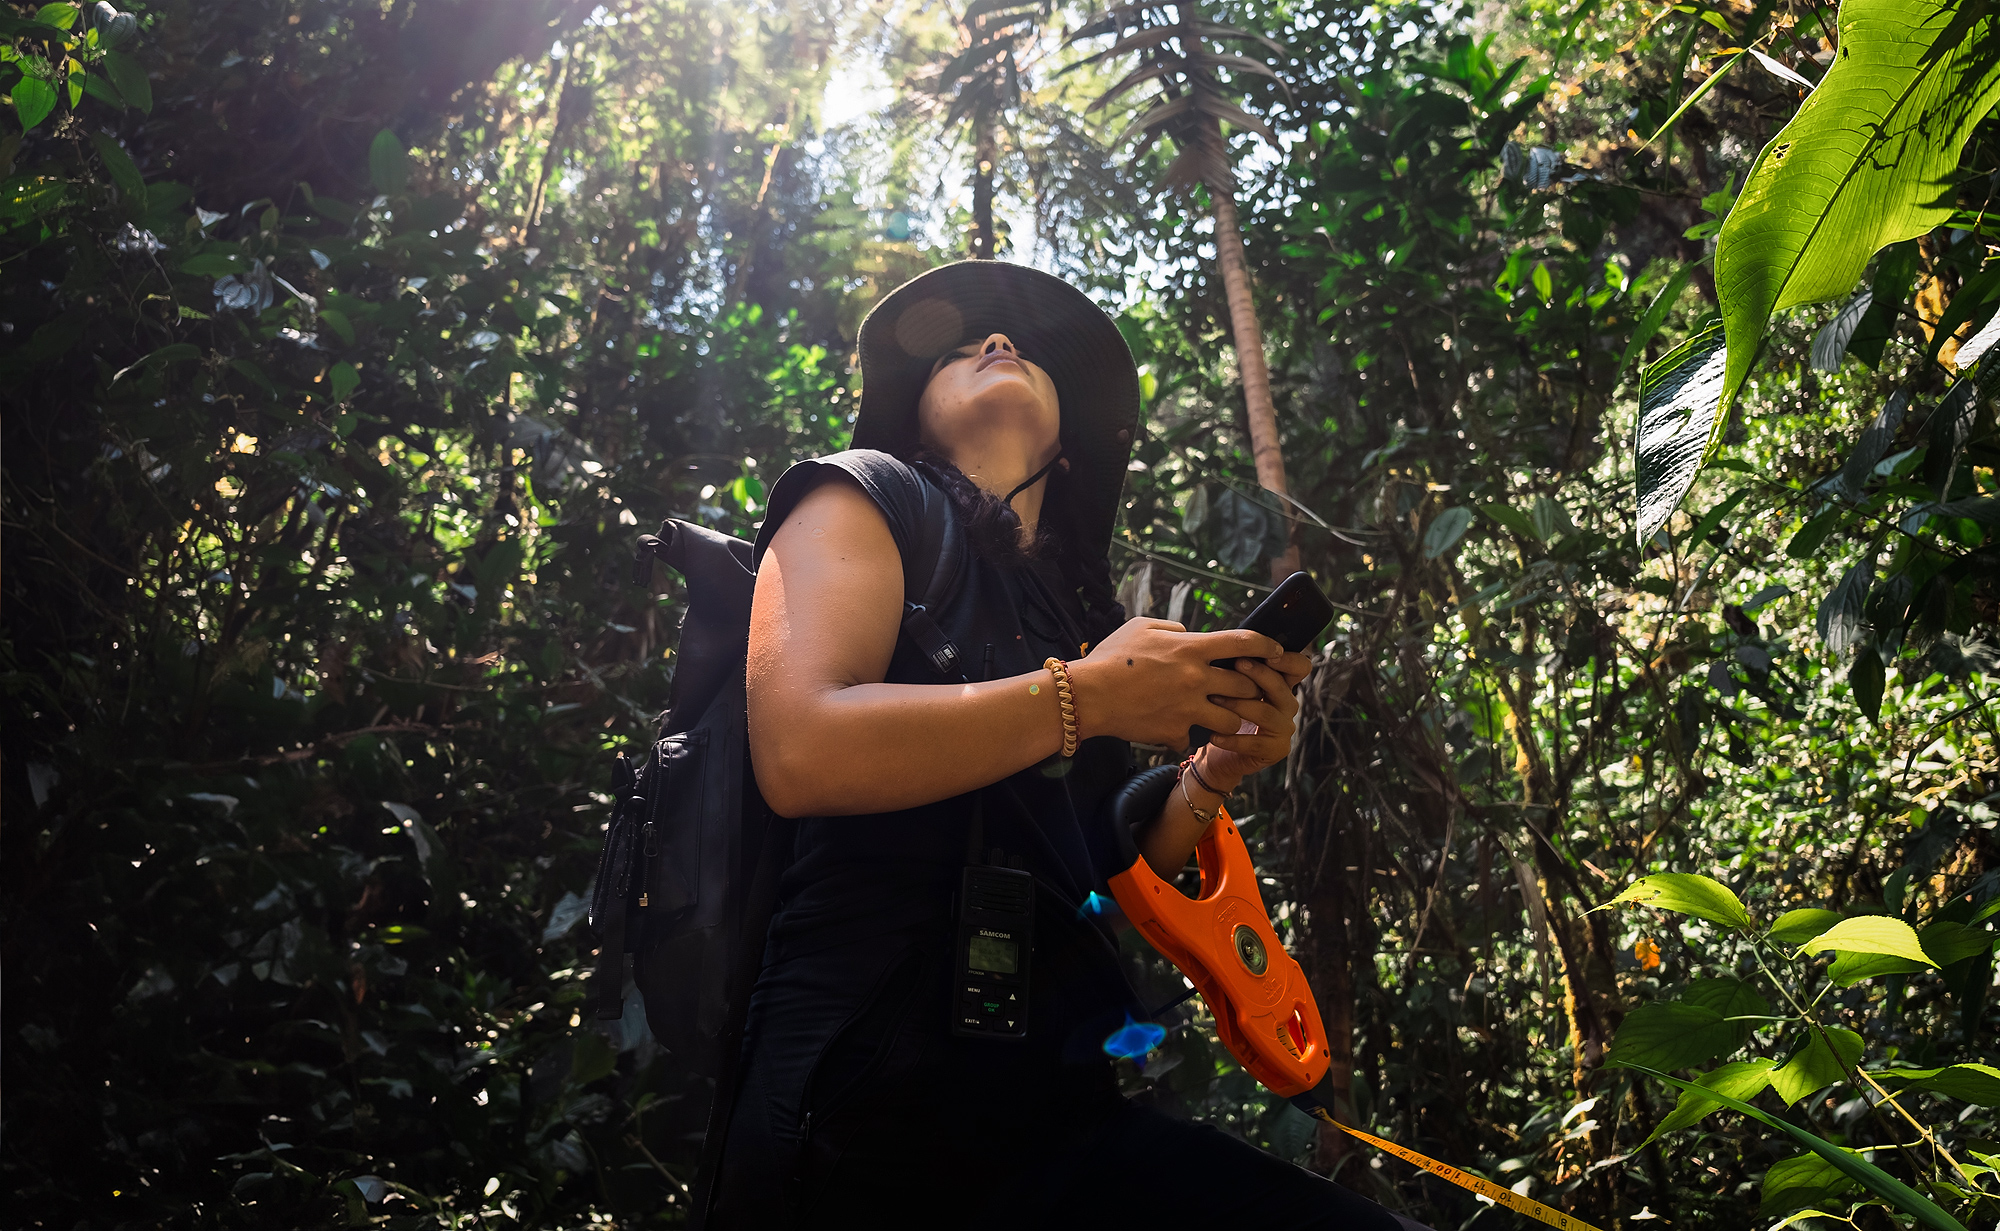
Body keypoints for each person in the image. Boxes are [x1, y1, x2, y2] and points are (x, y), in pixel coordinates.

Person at [712, 261, 1422, 1229]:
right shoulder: (861, 496)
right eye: (962, 347)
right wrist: (1083, 695)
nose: (997, 344)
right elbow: (800, 749)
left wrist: (1211, 769)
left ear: (1071, 450)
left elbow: (1105, 857)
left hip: (1060, 1096)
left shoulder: (1082, 614)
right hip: (858, 1089)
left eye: (1021, 347)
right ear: (912, 417)